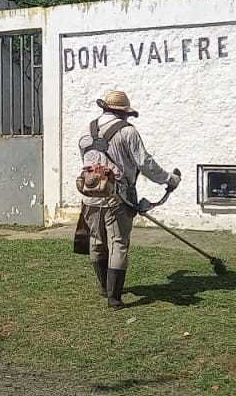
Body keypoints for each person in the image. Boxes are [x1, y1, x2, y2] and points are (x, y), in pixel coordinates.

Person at [76, 90, 178, 308]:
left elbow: (86, 162)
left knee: (97, 241)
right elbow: (145, 163)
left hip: (90, 195)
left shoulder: (86, 130)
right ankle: (114, 297)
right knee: (118, 244)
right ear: (124, 112)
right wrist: (169, 179)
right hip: (118, 197)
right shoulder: (127, 132)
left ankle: (104, 287)